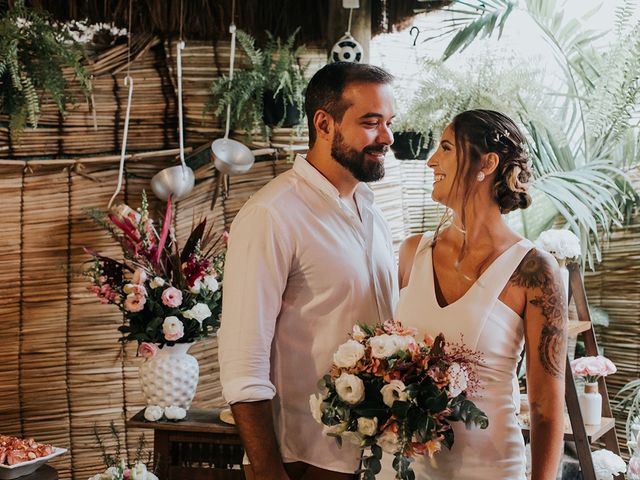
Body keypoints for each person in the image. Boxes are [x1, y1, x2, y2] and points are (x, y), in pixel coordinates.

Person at [218, 62, 399, 480]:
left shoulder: (372, 211)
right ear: (324, 123)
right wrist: (267, 471)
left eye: (389, 122)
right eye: (371, 123)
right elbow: (243, 362)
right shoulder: (272, 214)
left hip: (375, 458)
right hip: (302, 459)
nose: (387, 137)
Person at [380, 109, 567, 480]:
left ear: (487, 163)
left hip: (489, 468)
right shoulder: (412, 253)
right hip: (401, 470)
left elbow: (546, 407)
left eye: (446, 147)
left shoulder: (533, 270)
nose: (432, 160)